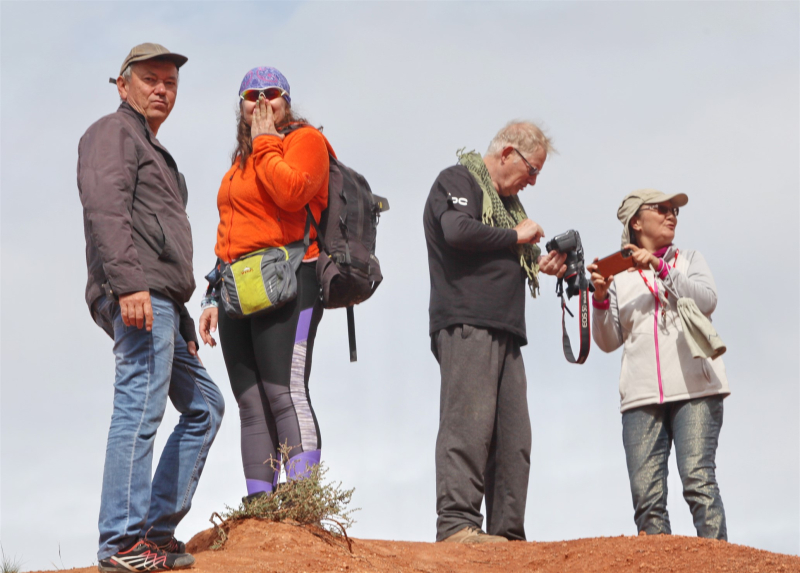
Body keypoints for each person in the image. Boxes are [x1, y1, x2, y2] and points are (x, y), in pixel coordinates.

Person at [78, 43, 224, 571]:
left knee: (206, 406)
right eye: (150, 79)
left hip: (161, 302)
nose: (162, 89)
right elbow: (105, 207)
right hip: (136, 295)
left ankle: (155, 531)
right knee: (139, 408)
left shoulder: (157, 153)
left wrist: (182, 320)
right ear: (123, 85)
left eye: (170, 82)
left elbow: (161, 245)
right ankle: (121, 542)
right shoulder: (112, 132)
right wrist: (128, 285)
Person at [423, 121, 567, 543]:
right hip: (467, 322)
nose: (533, 181)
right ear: (506, 154)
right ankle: (456, 525)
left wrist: (541, 261)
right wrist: (514, 235)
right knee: (467, 426)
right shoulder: (458, 179)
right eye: (532, 170)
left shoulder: (507, 206)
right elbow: (457, 229)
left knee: (513, 438)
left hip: (506, 330)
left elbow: (507, 246)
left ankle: (508, 536)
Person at [199, 67, 332, 500]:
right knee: (251, 401)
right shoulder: (240, 162)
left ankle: (302, 501)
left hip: (294, 276)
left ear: (286, 101)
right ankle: (261, 506)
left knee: (284, 391)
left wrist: (265, 143)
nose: (261, 100)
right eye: (251, 94)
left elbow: (292, 192)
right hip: (238, 287)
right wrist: (211, 295)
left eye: (271, 92)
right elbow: (230, 233)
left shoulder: (305, 141)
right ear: (239, 106)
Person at [588, 189, 730, 540]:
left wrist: (661, 267)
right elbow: (607, 342)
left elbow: (707, 300)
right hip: (640, 397)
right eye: (662, 209)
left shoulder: (689, 259)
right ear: (636, 222)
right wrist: (600, 298)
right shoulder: (618, 276)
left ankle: (720, 563)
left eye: (674, 211)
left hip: (696, 389)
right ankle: (659, 562)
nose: (671, 216)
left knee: (698, 481)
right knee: (647, 499)